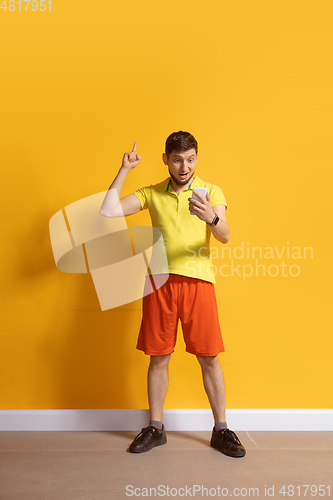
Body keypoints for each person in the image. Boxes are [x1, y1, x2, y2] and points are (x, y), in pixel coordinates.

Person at [99, 131, 246, 458]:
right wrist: (124, 170)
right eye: (177, 159)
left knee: (208, 357)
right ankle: (155, 427)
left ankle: (221, 429)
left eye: (191, 159)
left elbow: (225, 235)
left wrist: (212, 217)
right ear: (166, 159)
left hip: (198, 283)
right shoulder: (152, 193)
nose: (184, 166)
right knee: (158, 356)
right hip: (159, 282)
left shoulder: (210, 191)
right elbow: (108, 211)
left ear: (197, 158)